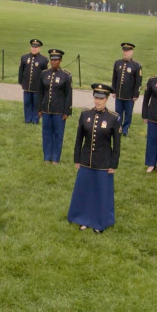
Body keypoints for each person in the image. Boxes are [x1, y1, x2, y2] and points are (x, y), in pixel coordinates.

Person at [67, 83, 121, 234]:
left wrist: (114, 164)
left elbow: (116, 144)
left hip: (104, 162)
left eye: (101, 99)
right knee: (85, 190)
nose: (98, 101)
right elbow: (79, 139)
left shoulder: (113, 118)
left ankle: (100, 221)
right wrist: (77, 159)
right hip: (86, 160)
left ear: (107, 99)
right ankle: (83, 218)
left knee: (101, 192)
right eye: (96, 98)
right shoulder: (85, 115)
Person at [37, 49, 73, 164]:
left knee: (58, 134)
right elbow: (40, 92)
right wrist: (39, 108)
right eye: (52, 60)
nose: (53, 62)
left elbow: (69, 95)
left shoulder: (66, 76)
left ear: (60, 61)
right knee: (46, 133)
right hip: (46, 110)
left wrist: (67, 112)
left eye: (56, 60)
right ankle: (47, 156)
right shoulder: (44, 74)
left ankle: (56, 158)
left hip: (59, 111)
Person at [111, 43, 142, 136]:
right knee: (118, 112)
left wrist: (136, 94)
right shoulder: (117, 63)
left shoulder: (136, 65)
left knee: (128, 114)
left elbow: (138, 81)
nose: (125, 53)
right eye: (124, 51)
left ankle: (125, 129)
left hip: (129, 96)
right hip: (119, 95)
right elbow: (114, 78)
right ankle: (118, 128)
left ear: (132, 52)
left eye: (127, 51)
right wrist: (113, 90)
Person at [18, 39, 49, 124]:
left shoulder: (44, 59)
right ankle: (27, 119)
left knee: (36, 104)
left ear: (39, 48)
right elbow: (21, 70)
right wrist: (21, 82)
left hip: (37, 87)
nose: (34, 49)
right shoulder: (24, 57)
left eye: (36, 47)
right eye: (33, 47)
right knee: (27, 103)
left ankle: (35, 119)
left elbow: (46, 73)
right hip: (27, 85)